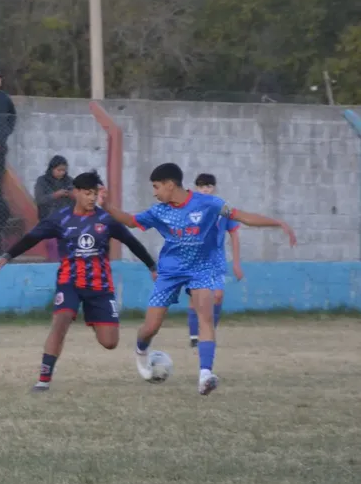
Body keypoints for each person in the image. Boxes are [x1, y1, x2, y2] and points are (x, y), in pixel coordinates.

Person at [102, 163, 297, 396]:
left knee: (206, 316)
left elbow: (242, 216)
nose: (155, 192)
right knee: (150, 327)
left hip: (201, 269)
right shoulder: (159, 211)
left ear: (170, 185)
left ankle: (205, 374)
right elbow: (131, 220)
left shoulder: (208, 203)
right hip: (170, 272)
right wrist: (106, 206)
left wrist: (278, 223)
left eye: (156, 187)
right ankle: (141, 350)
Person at [0, 171, 158, 392]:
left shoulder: (106, 220)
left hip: (100, 287)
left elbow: (132, 242)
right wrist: (7, 256)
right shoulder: (60, 219)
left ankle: (91, 315)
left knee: (109, 342)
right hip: (70, 282)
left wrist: (152, 266)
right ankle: (43, 380)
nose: (91, 198)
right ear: (76, 193)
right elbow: (32, 237)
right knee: (61, 321)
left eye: (94, 193)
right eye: (87, 193)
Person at [186, 173, 243, 347]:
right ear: (197, 188)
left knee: (217, 296)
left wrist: (236, 262)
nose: (206, 189)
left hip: (216, 259)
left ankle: (209, 333)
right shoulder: (189, 208)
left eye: (209, 186)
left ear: (214, 188)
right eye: (202, 186)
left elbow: (233, 234)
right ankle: (195, 336)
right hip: (195, 259)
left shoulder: (223, 209)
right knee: (197, 298)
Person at [34, 155, 74, 262]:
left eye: (64, 170)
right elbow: (39, 199)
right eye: (59, 170)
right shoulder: (42, 181)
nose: (62, 173)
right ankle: (54, 264)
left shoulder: (69, 181)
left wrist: (71, 194)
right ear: (52, 169)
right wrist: (55, 195)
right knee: (52, 245)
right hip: (48, 217)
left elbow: (78, 197)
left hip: (66, 218)